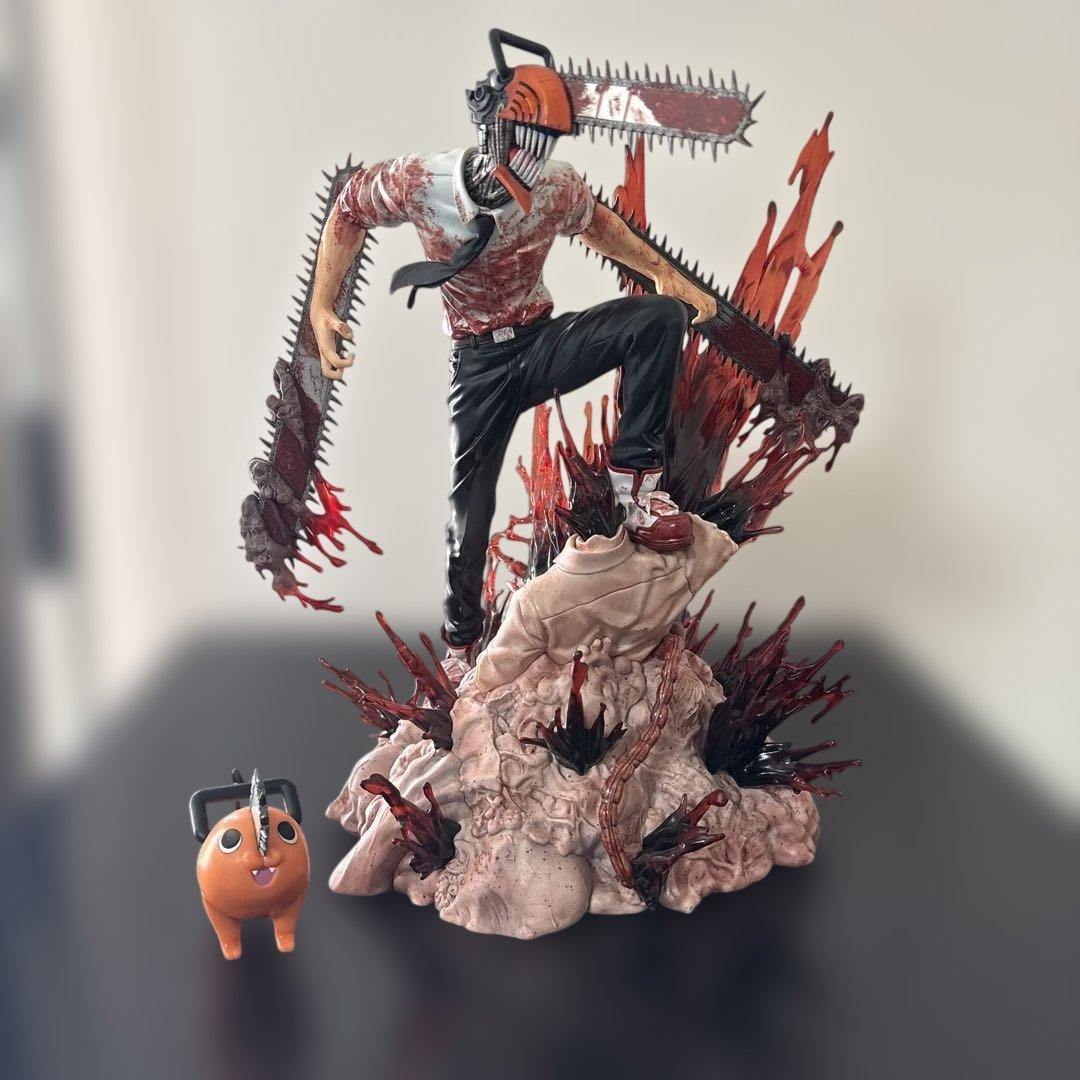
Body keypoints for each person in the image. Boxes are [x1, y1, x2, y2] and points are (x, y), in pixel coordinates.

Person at [307, 58, 716, 659]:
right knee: (468, 514)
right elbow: (349, 208)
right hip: (479, 365)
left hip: (541, 344)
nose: (532, 159)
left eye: (543, 145)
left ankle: (639, 489)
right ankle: (462, 642)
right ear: (492, 129)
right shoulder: (420, 181)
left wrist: (660, 272)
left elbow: (597, 224)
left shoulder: (556, 186)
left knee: (657, 318)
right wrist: (322, 305)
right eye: (524, 142)